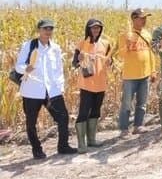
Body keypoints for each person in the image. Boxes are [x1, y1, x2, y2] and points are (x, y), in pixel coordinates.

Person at [15, 19, 77, 159]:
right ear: (39, 30)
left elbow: (59, 69)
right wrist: (26, 68)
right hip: (32, 90)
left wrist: (60, 86)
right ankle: (37, 150)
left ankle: (63, 146)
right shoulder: (28, 45)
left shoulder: (55, 48)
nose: (48, 31)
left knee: (63, 117)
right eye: (45, 28)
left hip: (52, 90)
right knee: (31, 122)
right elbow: (18, 66)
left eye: (50, 29)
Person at [113, 8, 156, 137]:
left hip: (145, 74)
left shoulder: (147, 34)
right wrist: (128, 45)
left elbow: (151, 54)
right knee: (127, 103)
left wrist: (153, 70)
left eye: (145, 18)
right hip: (130, 76)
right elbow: (120, 55)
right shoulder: (125, 35)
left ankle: (138, 126)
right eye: (141, 18)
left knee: (142, 103)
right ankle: (124, 129)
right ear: (134, 19)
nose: (144, 20)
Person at [71, 19, 111, 153]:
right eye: (93, 28)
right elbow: (74, 63)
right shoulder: (82, 44)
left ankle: (92, 140)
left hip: (101, 83)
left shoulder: (105, 44)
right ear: (88, 29)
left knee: (95, 111)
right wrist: (79, 59)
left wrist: (110, 61)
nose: (96, 30)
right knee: (83, 112)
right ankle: (82, 144)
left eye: (98, 28)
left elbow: (110, 62)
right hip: (87, 84)